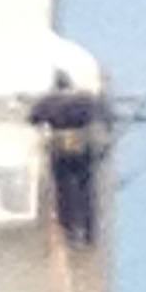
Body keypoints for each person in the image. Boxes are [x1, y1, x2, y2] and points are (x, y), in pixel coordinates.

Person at [28, 70, 106, 245]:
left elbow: (33, 118)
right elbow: (98, 113)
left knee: (64, 191)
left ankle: (69, 232)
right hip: (82, 147)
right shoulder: (84, 100)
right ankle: (88, 232)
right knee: (86, 191)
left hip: (59, 148)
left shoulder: (48, 102)